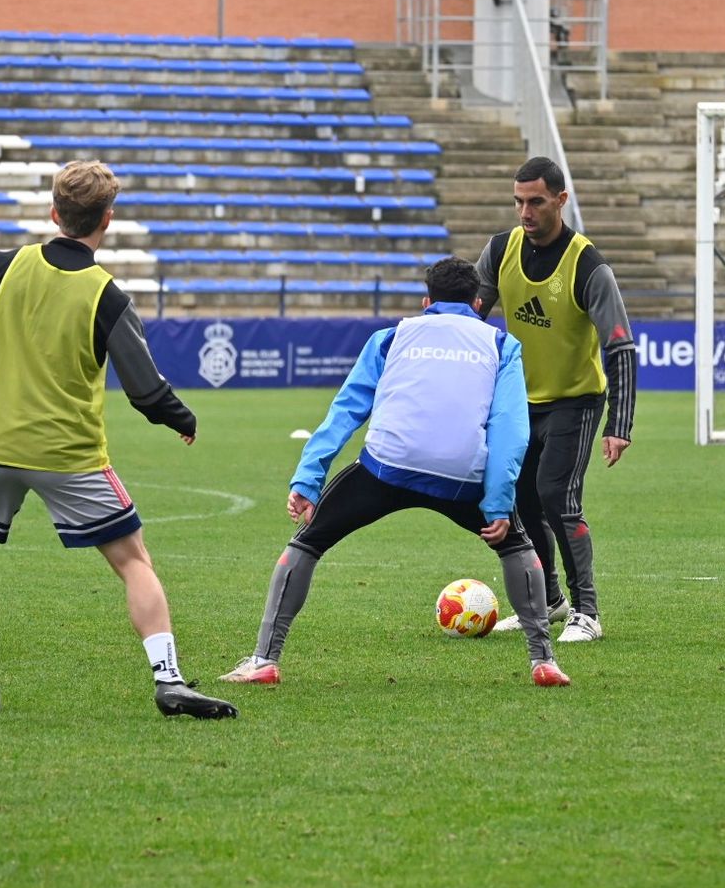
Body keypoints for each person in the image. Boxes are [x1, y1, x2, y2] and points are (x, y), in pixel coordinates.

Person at [0, 160, 235, 719]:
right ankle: (169, 679)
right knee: (134, 561)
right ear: (108, 219)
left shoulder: (0, 267)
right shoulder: (108, 296)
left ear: (55, 214)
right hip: (69, 455)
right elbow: (145, 391)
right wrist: (182, 419)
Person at [218, 257, 569, 688]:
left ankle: (264, 660)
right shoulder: (501, 344)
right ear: (478, 304)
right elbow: (511, 430)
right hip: (460, 475)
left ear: (426, 302)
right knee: (517, 547)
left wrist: (308, 480)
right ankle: (543, 661)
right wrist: (497, 503)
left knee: (307, 543)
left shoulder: (391, 337)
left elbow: (346, 411)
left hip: (388, 466)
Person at [474, 157, 636, 643]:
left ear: (561, 200)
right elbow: (469, 322)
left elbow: (620, 345)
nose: (525, 212)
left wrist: (619, 423)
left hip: (576, 401)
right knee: (519, 497)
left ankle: (587, 610)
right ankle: (549, 601)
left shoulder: (588, 265)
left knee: (556, 494)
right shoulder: (499, 250)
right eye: (518, 202)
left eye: (536, 202)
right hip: (520, 403)